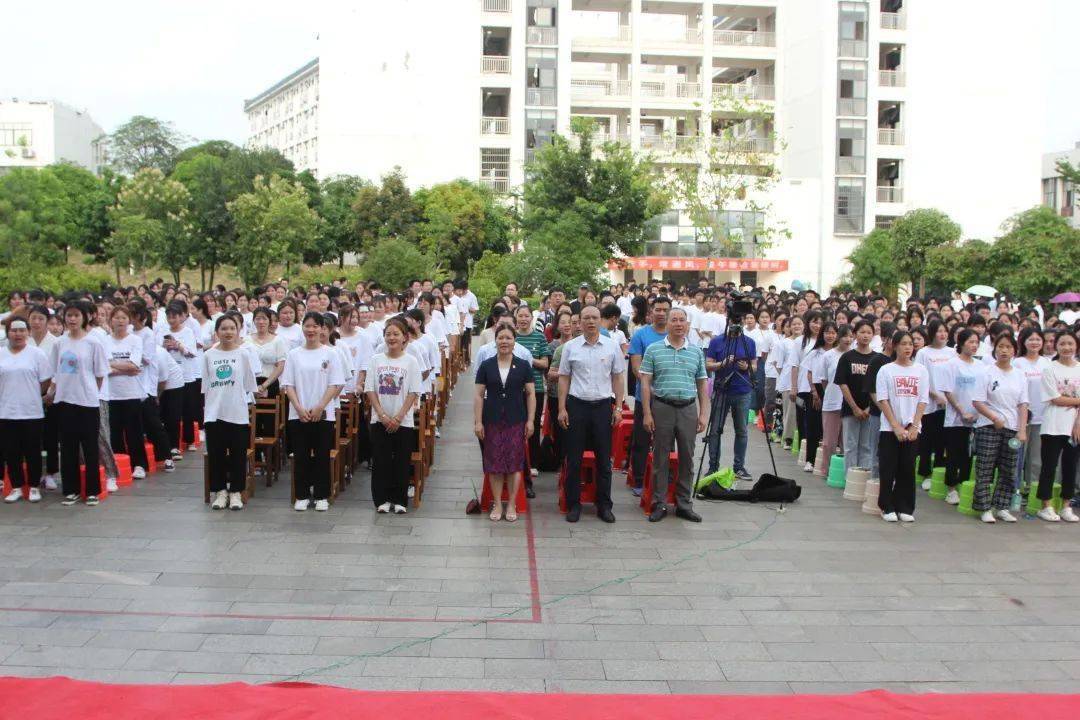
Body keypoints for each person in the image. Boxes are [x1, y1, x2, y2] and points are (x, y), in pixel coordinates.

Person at [557, 305, 626, 523]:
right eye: (585, 318)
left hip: (602, 407)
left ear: (600, 320)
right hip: (577, 406)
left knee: (604, 461)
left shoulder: (612, 346)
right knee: (574, 459)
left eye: (594, 317)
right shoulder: (571, 347)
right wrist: (561, 408)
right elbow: (564, 378)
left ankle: (604, 505)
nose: (590, 321)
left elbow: (617, 377)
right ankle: (573, 504)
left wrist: (618, 407)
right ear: (580, 322)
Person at [639, 307, 707, 523]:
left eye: (682, 320)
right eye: (674, 320)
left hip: (688, 409)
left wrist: (704, 414)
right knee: (660, 457)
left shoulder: (696, 351)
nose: (678, 324)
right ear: (667, 324)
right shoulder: (653, 349)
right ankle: (659, 502)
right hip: (662, 408)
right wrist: (647, 413)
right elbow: (646, 383)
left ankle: (684, 503)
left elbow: (702, 385)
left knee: (687, 457)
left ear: (687, 324)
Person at [281, 312, 346, 512]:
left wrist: (320, 406)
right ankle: (301, 494)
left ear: (322, 329)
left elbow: (335, 383)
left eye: (315, 326)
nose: (311, 330)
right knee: (300, 454)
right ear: (302, 328)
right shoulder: (294, 354)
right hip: (297, 413)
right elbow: (288, 384)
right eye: (307, 326)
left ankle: (321, 495)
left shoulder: (330, 353)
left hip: (323, 412)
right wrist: (299, 407)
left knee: (321, 454)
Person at [47, 302, 109, 506]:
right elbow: (55, 371)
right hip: (64, 401)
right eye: (68, 315)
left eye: (76, 315)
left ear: (84, 318)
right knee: (67, 448)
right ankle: (71, 490)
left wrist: (89, 390)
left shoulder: (93, 343)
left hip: (87, 402)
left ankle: (92, 491)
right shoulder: (59, 343)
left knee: (90, 447)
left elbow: (100, 374)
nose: (72, 319)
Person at [474, 325, 536, 522]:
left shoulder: (523, 365)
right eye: (500, 338)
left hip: (515, 419)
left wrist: (531, 420)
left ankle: (511, 504)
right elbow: (478, 395)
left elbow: (531, 394)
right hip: (491, 419)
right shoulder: (487, 365)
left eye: (508, 338)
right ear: (495, 341)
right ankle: (497, 504)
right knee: (494, 463)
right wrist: (477, 422)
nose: (504, 342)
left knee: (514, 463)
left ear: (514, 341)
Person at [365, 317, 422, 514]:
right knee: (380, 460)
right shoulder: (376, 359)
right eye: (388, 334)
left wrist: (398, 417)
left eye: (396, 334)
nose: (392, 338)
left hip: (403, 421)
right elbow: (370, 389)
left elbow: (414, 391)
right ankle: (381, 499)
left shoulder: (411, 361)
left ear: (405, 337)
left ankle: (399, 499)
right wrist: (381, 414)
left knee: (401, 460)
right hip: (379, 419)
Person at [971, 333, 1028, 523]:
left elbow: (1023, 404)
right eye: (1001, 347)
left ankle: (1002, 506)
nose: (1004, 350)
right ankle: (984, 507)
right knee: (985, 467)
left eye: (1008, 347)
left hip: (1011, 428)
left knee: (1009, 469)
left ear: (1014, 350)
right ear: (995, 349)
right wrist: (994, 417)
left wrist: (1021, 430)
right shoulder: (986, 372)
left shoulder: (1019, 374)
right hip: (988, 426)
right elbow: (978, 401)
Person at [202, 314, 257, 510]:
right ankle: (219, 492)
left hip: (237, 412)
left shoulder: (243, 354)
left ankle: (235, 492)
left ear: (238, 331)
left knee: (237, 455)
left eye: (232, 328)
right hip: (214, 412)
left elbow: (249, 384)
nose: (228, 332)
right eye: (223, 329)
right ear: (217, 332)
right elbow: (206, 386)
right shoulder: (208, 355)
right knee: (216, 455)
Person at [874, 330, 929, 522]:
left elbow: (922, 400)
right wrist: (895, 426)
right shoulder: (886, 370)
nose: (907, 347)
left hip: (912, 427)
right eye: (903, 343)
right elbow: (883, 399)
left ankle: (905, 506)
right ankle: (886, 506)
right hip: (890, 428)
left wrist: (914, 426)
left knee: (907, 468)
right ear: (895, 346)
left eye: (910, 344)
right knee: (888, 468)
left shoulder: (921, 370)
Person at [0, 317, 52, 503]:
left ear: (28, 332)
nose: (18, 334)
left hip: (31, 411)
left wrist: (33, 393)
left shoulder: (36, 354)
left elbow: (46, 380)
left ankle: (34, 486)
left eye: (22, 330)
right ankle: (16, 486)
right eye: (14, 330)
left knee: (32, 451)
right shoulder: (1, 354)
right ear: (8, 333)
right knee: (11, 452)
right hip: (6, 411)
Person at [704, 314, 758, 481]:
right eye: (732, 321)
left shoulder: (749, 342)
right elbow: (708, 364)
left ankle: (739, 467)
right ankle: (713, 466)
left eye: (738, 322)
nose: (735, 324)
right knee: (715, 430)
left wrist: (747, 366)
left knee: (741, 430)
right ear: (727, 322)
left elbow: (755, 366)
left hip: (743, 390)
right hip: (721, 390)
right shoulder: (716, 341)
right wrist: (723, 363)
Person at [1034, 329, 1080, 522]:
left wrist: (1077, 424)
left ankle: (1066, 505)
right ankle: (1045, 505)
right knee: (1049, 466)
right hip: (1053, 425)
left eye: (1070, 343)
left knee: (1070, 466)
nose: (1066, 347)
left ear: (1076, 345)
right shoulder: (1049, 369)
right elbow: (1054, 398)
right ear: (1055, 346)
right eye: (1062, 344)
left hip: (1074, 427)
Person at [628, 296, 671, 495]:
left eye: (665, 309)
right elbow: (636, 367)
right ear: (651, 312)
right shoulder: (640, 335)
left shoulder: (676, 334)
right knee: (642, 440)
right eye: (658, 309)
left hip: (670, 400)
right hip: (643, 397)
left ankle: (667, 479)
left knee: (668, 440)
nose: (661, 313)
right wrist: (650, 387)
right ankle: (638, 480)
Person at [103, 305, 150, 481]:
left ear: (129, 320)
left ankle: (139, 465)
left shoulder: (135, 340)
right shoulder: (105, 340)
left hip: (132, 393)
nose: (120, 321)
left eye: (123, 318)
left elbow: (135, 365)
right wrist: (125, 368)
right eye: (116, 318)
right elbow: (103, 366)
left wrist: (113, 364)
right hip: (111, 394)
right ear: (110, 321)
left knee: (134, 432)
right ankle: (119, 464)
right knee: (114, 432)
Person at [941, 329, 985, 505]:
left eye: (976, 342)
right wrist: (961, 411)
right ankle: (951, 489)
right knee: (954, 454)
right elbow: (948, 391)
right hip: (956, 419)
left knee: (968, 456)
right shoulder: (951, 364)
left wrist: (977, 413)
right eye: (970, 342)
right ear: (961, 343)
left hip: (977, 418)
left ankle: (963, 485)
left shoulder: (981, 366)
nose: (974, 345)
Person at [835, 320, 883, 474]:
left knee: (867, 445)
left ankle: (863, 478)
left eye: (869, 332)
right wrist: (855, 407)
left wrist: (869, 407)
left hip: (872, 409)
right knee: (850, 445)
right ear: (855, 335)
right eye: (862, 332)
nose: (865, 335)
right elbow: (842, 383)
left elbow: (878, 386)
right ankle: (849, 478)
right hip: (850, 408)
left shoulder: (877, 359)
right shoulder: (847, 357)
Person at [512, 305, 550, 496]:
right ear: (515, 317)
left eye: (527, 316)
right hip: (514, 388)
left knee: (533, 426)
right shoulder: (512, 337)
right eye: (521, 316)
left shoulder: (540, 337)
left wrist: (528, 359)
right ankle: (517, 461)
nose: (524, 319)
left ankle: (533, 463)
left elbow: (544, 363)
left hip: (535, 388)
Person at [914, 319, 954, 489]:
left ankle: (939, 469)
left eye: (945, 331)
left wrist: (948, 397)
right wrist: (935, 395)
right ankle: (925, 473)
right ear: (932, 333)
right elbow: (921, 378)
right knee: (927, 439)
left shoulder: (952, 352)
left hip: (948, 403)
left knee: (942, 440)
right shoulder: (924, 353)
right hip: (929, 403)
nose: (943, 334)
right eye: (939, 331)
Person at [1013, 327, 1052, 493]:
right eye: (1031, 339)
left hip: (1042, 416)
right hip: (1021, 417)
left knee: (1036, 458)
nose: (1034, 342)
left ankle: (1031, 490)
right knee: (1017, 456)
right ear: (1023, 341)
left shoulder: (1047, 363)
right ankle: (1013, 489)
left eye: (1038, 339)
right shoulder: (1017, 363)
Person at [817, 324, 851, 479]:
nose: (848, 339)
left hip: (851, 404)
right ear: (838, 337)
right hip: (832, 401)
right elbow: (823, 380)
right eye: (845, 336)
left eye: (851, 336)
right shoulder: (828, 355)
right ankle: (827, 470)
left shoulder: (854, 355)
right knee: (829, 441)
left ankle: (846, 472)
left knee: (847, 441)